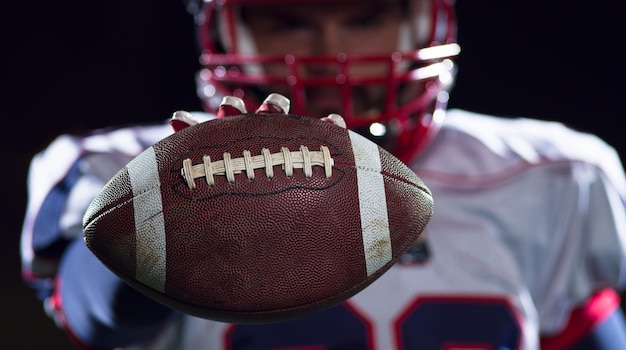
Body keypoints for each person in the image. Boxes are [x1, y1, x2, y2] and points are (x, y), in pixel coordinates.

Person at [20, 0, 626, 349]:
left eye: (366, 17)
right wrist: (167, 230)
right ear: (221, 29)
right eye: (285, 20)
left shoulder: (556, 174)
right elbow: (93, 314)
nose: (328, 50)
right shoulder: (121, 168)